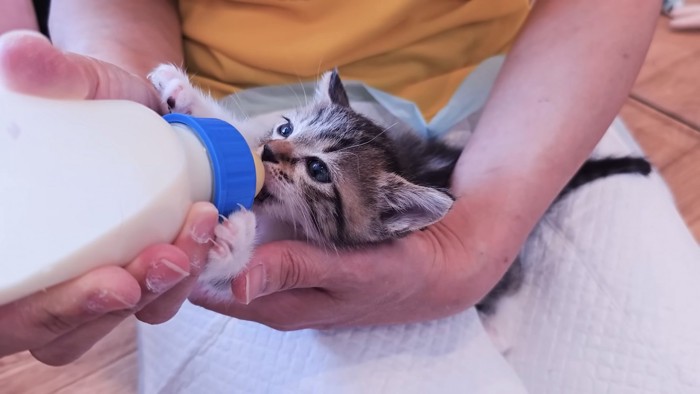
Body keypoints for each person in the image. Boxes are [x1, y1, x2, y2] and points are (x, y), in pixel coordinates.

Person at [0, 0, 662, 367]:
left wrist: (480, 246)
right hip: (240, 85)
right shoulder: (282, 140)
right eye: (288, 136)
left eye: (309, 166)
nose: (277, 152)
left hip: (537, 90)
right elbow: (245, 187)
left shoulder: (380, 200)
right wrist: (146, 109)